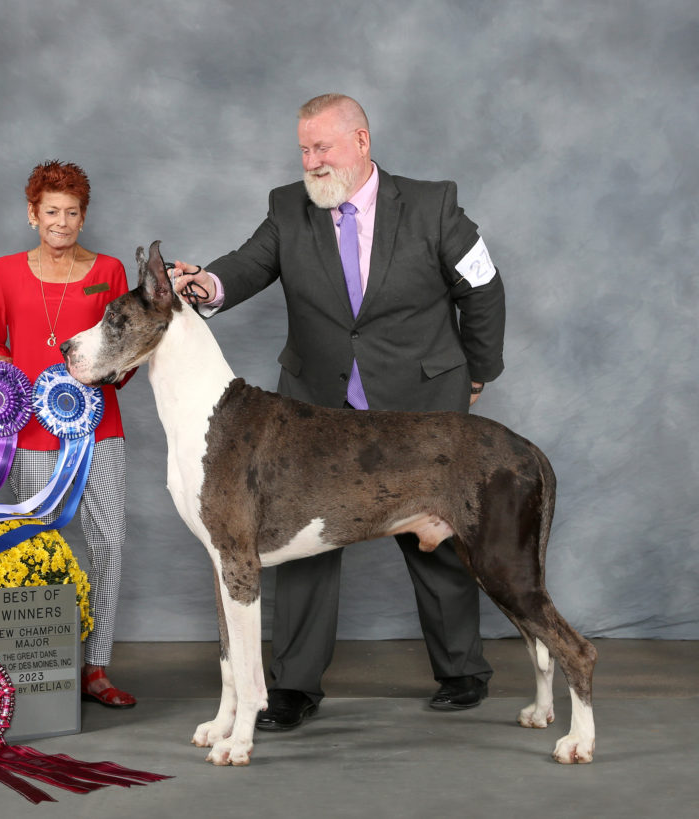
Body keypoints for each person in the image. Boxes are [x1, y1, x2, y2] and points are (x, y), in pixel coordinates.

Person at [170, 94, 506, 730]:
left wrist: (479, 372)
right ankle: (292, 686)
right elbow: (246, 265)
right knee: (301, 549)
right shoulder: (286, 207)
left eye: (322, 147)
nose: (311, 161)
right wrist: (204, 286)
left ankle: (462, 671)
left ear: (361, 141)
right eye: (303, 149)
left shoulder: (433, 204)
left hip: (417, 404)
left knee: (438, 538)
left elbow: (482, 287)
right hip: (317, 411)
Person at [0, 160, 136, 708]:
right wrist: (11, 385)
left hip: (100, 430)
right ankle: (42, 664)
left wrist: (111, 372)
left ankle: (96, 667)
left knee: (108, 542)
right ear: (32, 214)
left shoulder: (110, 271)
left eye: (72, 213)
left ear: (84, 217)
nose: (62, 223)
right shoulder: (4, 271)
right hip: (28, 432)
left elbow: (127, 345)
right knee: (38, 543)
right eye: (51, 212)